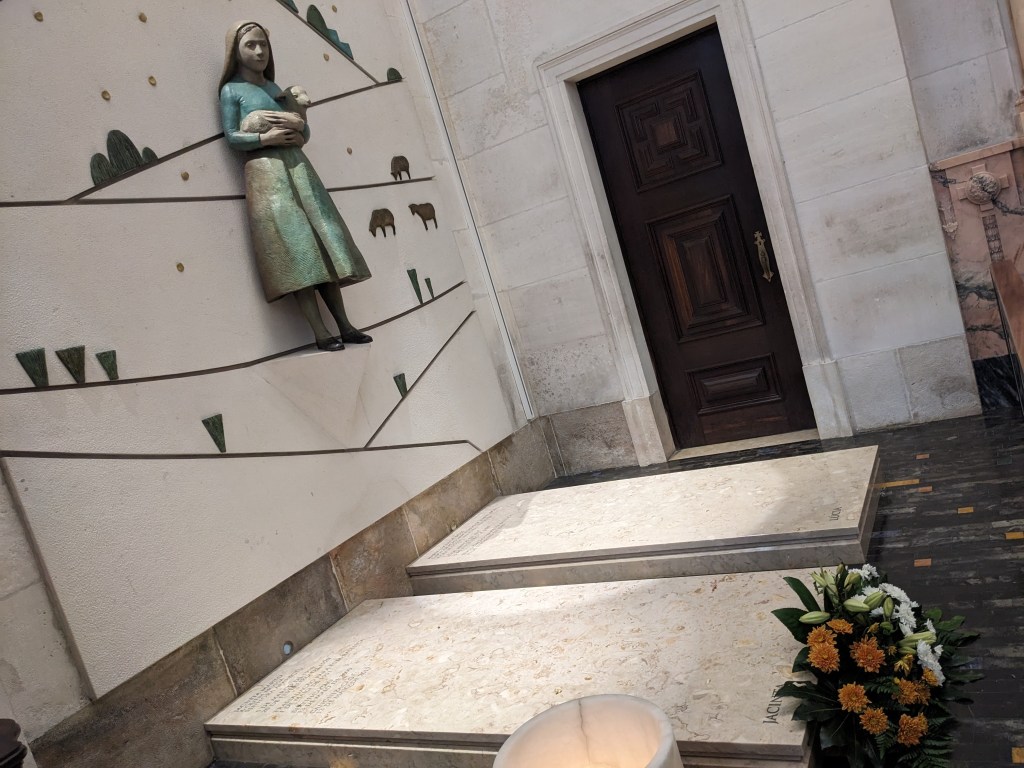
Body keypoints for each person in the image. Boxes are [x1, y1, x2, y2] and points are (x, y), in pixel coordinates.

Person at [219, 20, 372, 351]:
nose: (259, 51)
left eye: (263, 44)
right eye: (250, 45)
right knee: (297, 253)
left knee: (324, 245)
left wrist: (300, 123)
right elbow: (232, 136)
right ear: (236, 52)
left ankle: (345, 325)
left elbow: (303, 133)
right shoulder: (231, 91)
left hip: (299, 171)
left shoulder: (276, 88)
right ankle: (320, 332)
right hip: (268, 176)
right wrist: (265, 138)